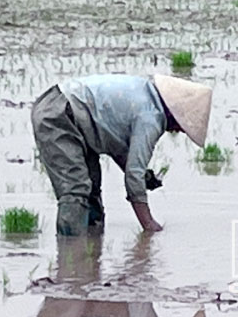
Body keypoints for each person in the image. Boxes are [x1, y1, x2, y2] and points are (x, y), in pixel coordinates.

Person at [31, 74, 212, 236]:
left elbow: (118, 147)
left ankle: (90, 257)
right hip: (59, 114)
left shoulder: (146, 93)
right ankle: (70, 258)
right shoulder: (151, 117)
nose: (180, 130)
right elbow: (133, 174)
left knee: (91, 188)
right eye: (183, 125)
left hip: (70, 112)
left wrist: (145, 177)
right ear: (176, 114)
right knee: (76, 190)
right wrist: (148, 224)